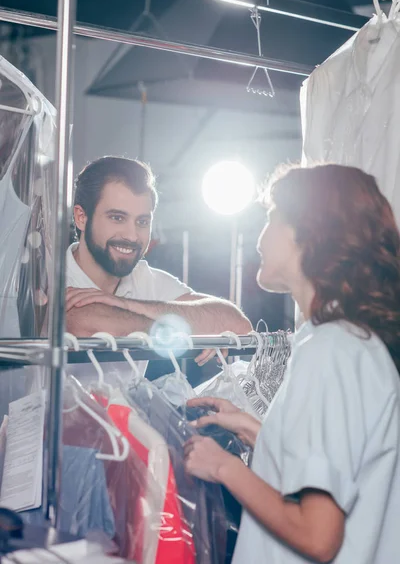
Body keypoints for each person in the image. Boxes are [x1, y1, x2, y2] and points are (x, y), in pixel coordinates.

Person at [184, 163, 400, 563]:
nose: (260, 237)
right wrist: (257, 431)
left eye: (271, 219)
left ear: (311, 234)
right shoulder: (346, 342)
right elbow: (342, 462)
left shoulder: (332, 350)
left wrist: (224, 467)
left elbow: (318, 536)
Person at [65, 156, 251, 365]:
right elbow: (85, 323)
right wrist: (192, 329)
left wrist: (124, 304)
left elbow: (237, 324)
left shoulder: (145, 278)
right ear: (81, 217)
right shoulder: (48, 277)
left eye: (142, 222)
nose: (132, 236)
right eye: (117, 218)